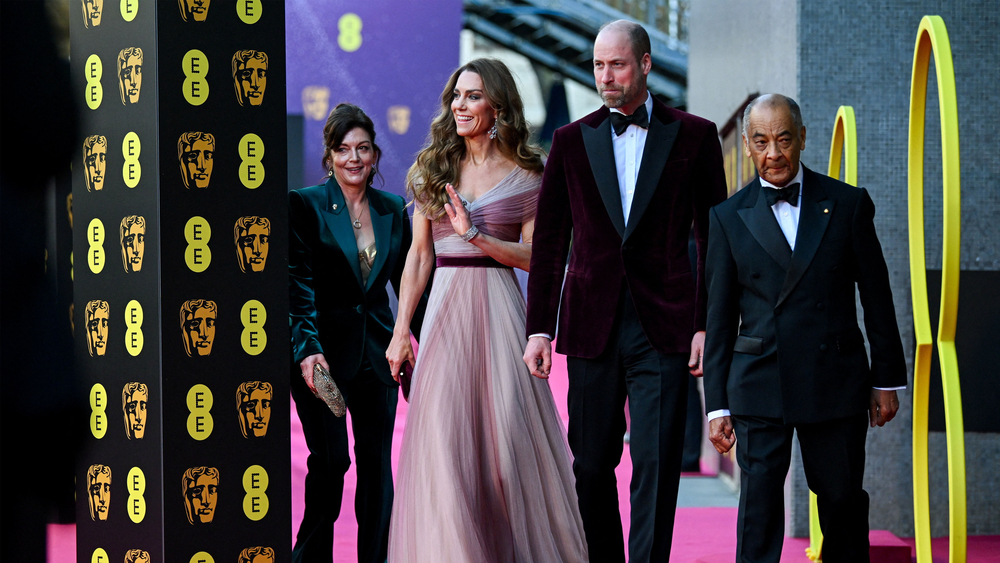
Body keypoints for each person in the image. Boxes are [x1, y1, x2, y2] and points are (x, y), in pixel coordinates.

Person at [523, 20, 728, 563]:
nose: (605, 76)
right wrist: (539, 328)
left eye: (616, 64)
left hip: (665, 325)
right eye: (598, 65)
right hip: (591, 325)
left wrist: (705, 323)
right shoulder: (570, 141)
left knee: (657, 465)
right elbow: (550, 243)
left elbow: (713, 239)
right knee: (590, 465)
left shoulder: (696, 135)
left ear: (645, 64)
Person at [386, 58, 587, 563]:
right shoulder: (432, 168)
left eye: (473, 96)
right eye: (456, 95)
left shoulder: (529, 175)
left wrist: (476, 235)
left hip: (499, 312)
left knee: (506, 453)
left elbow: (539, 257)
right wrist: (401, 329)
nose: (460, 105)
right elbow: (419, 257)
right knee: (444, 448)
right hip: (443, 317)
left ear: (498, 107)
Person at [703, 94, 906, 563]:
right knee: (758, 509)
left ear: (803, 138)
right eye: (761, 142)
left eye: (783, 139)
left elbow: (877, 296)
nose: (773, 153)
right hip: (759, 382)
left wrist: (887, 378)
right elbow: (718, 319)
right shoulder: (726, 218)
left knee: (841, 500)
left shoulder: (848, 203)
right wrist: (717, 405)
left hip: (834, 379)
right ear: (747, 147)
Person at [289, 103, 418, 563]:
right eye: (343, 149)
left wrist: (423, 342)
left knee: (377, 468)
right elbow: (298, 284)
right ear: (329, 156)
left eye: (363, 148)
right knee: (332, 461)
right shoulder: (305, 204)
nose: (354, 158)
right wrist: (308, 350)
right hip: (322, 362)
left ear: (375, 154)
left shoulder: (392, 209)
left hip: (377, 359)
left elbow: (411, 285)